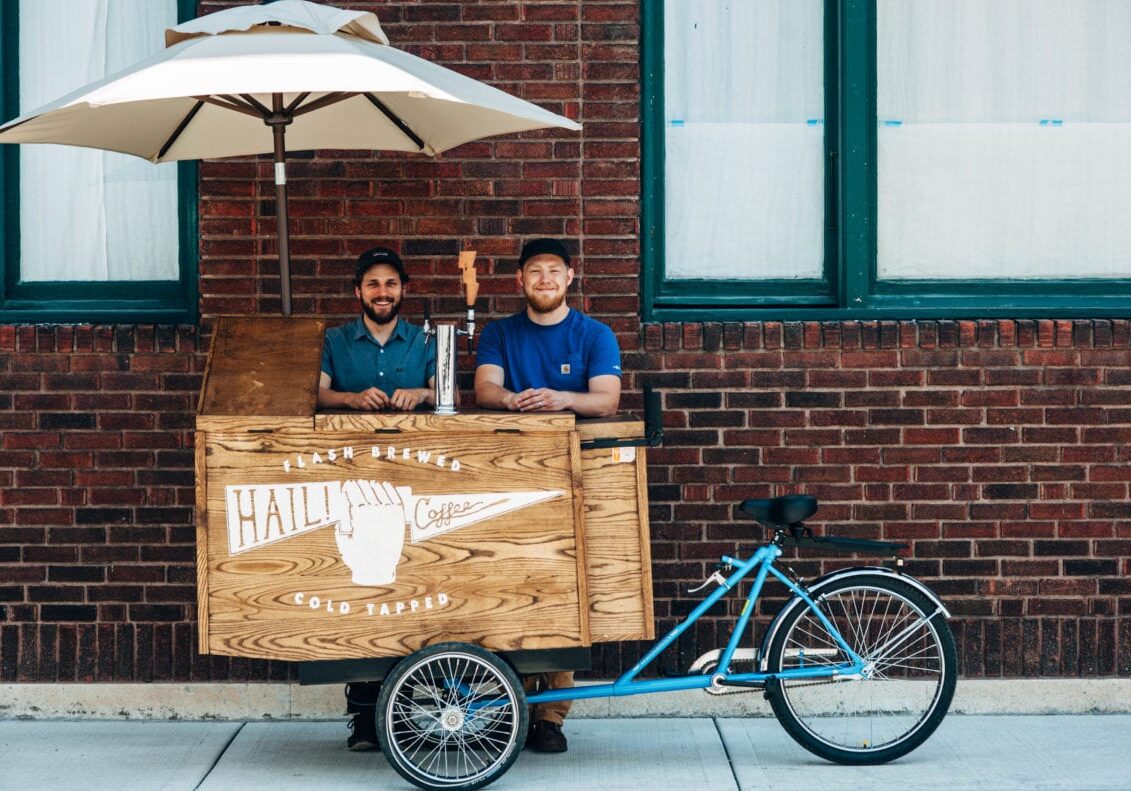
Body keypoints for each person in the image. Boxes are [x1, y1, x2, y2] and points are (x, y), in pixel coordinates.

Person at [474, 237, 622, 753]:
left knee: (564, 593)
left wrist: (562, 400)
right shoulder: (499, 334)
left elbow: (607, 401)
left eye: (553, 271)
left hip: (576, 480)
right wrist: (513, 399)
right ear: (520, 280)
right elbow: (484, 388)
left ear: (570, 277)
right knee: (509, 590)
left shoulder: (595, 334)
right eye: (534, 271)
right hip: (508, 480)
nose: (543, 279)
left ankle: (551, 717)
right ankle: (509, 707)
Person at [319, 245, 436, 752]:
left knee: (410, 588)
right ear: (358, 292)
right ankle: (365, 716)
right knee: (363, 601)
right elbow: (317, 394)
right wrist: (350, 398)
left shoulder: (427, 340)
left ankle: (406, 711)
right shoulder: (334, 339)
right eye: (373, 284)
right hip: (354, 475)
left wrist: (422, 396)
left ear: (403, 290)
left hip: (414, 475)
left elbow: (446, 391)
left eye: (390, 284)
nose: (382, 292)